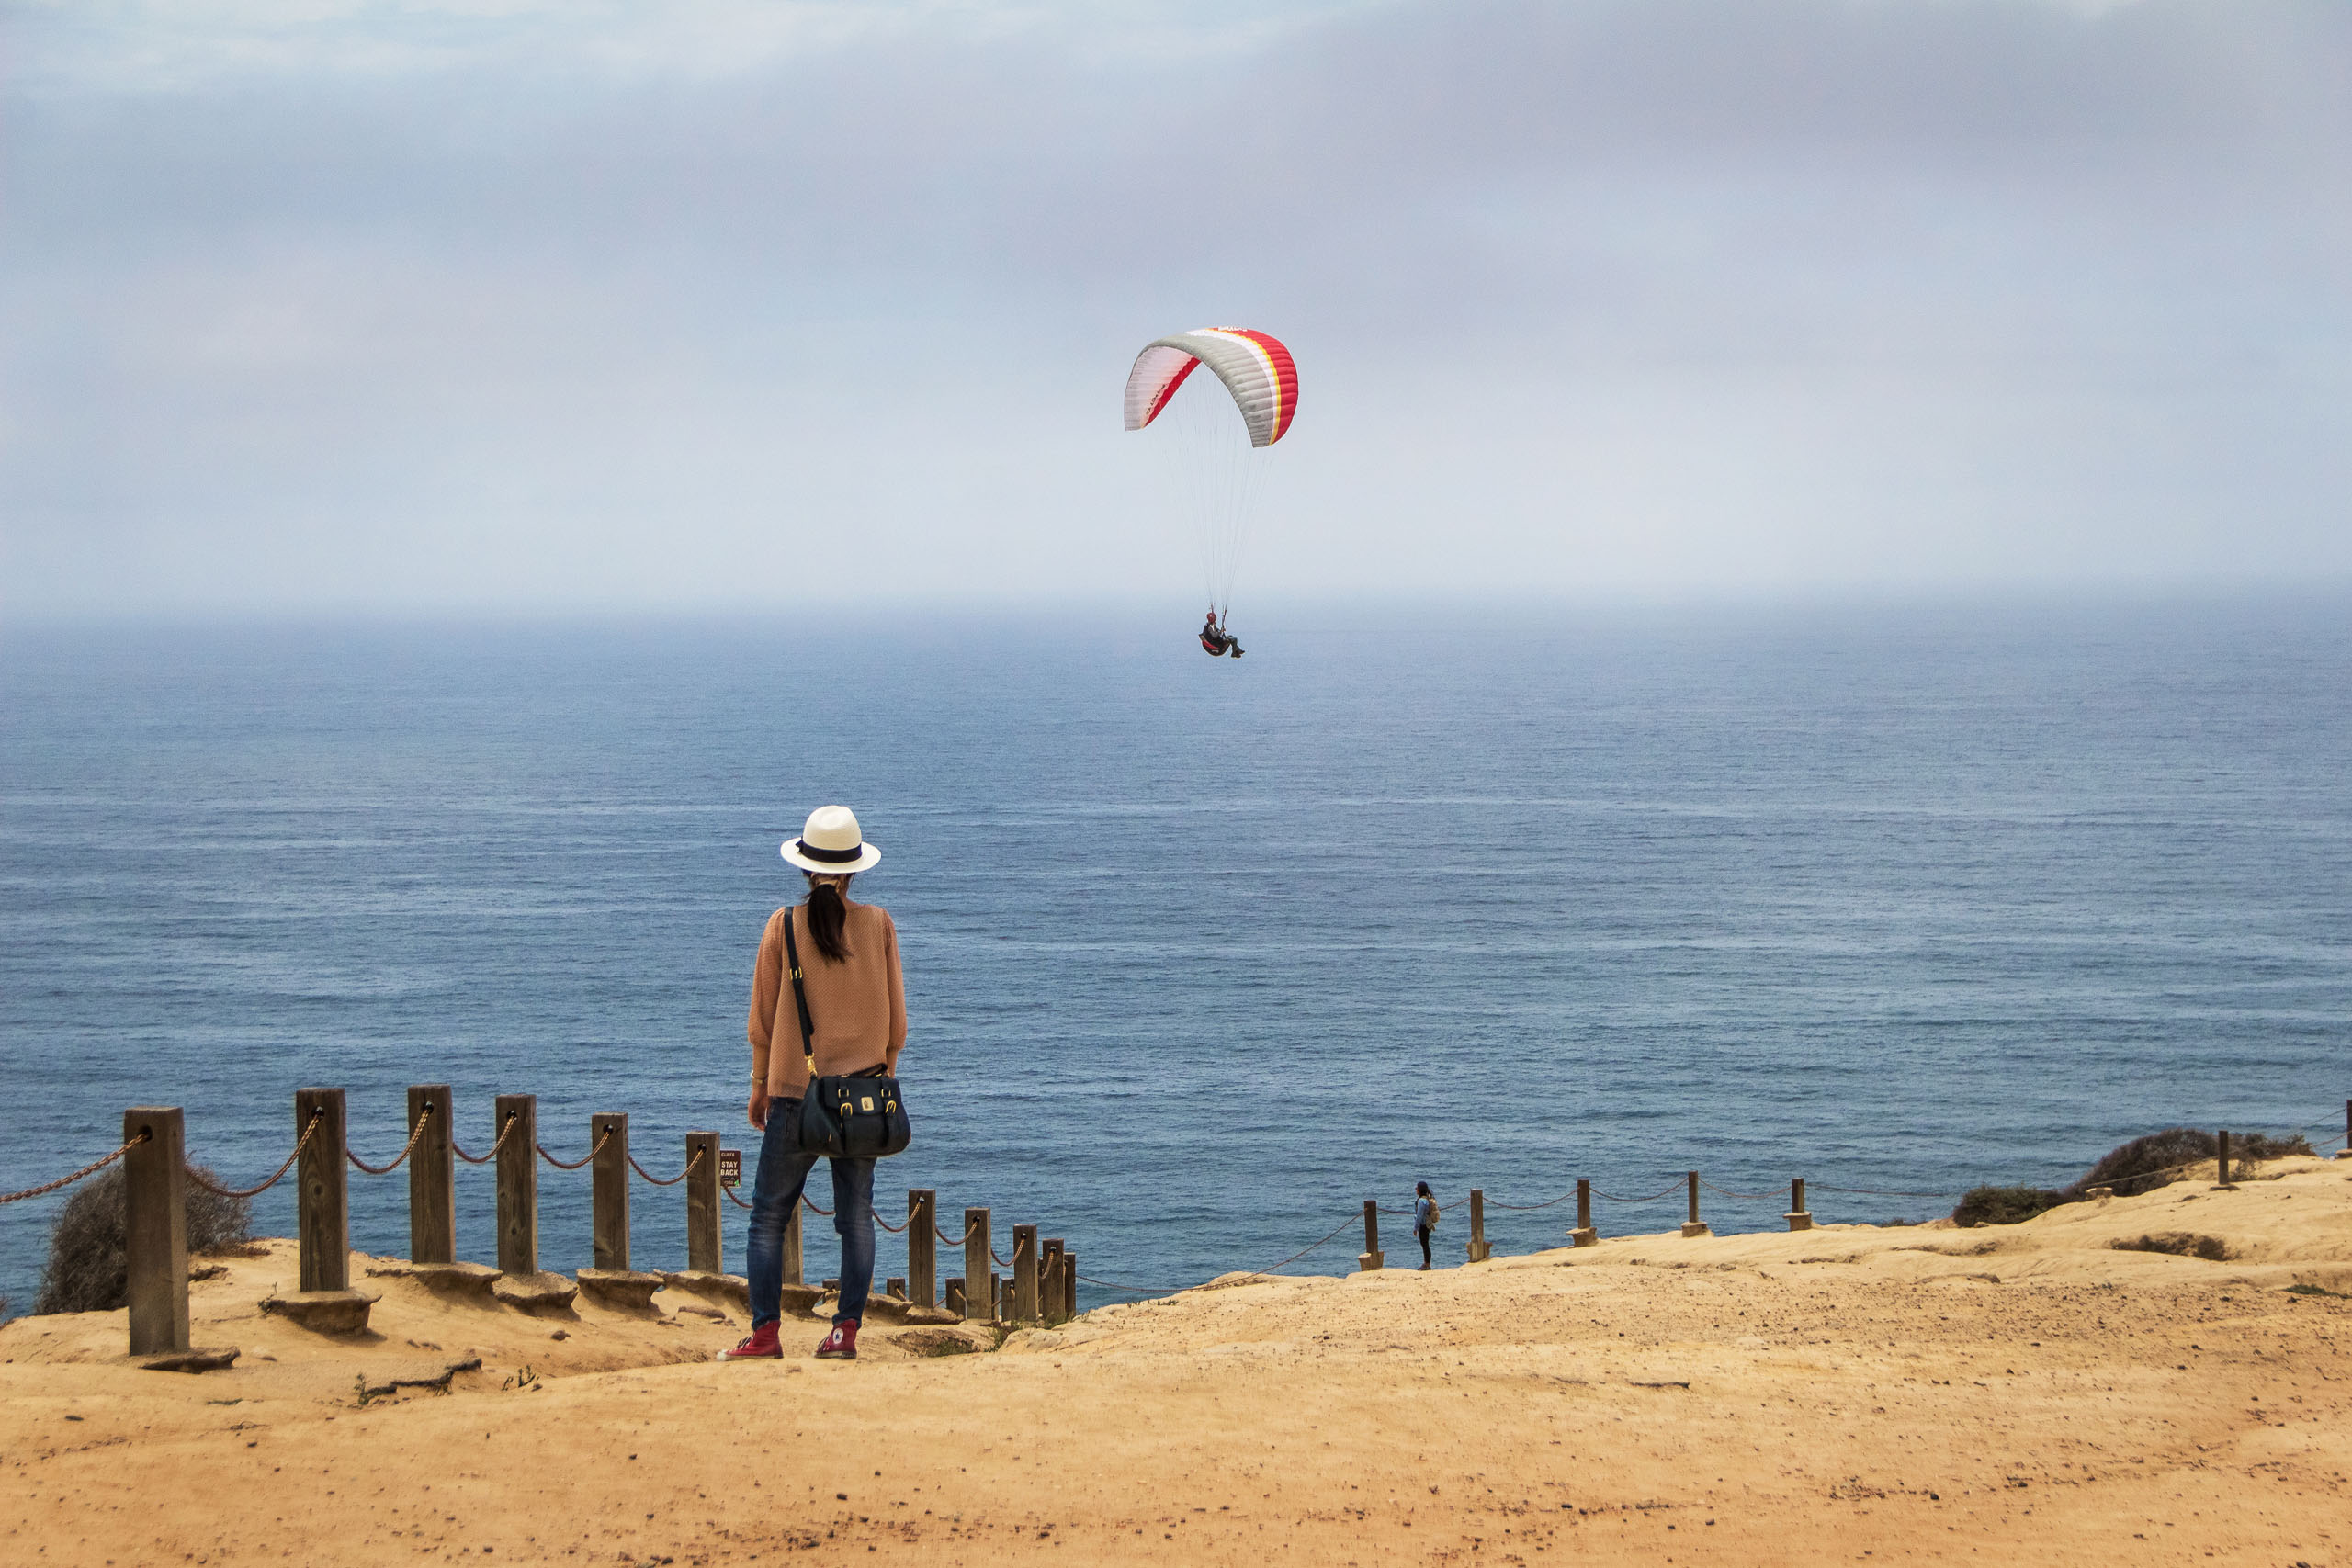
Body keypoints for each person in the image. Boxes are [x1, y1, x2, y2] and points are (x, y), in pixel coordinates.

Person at [726, 805, 905, 1362]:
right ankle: (844, 1334)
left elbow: (761, 1021)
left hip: (796, 1096)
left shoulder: (783, 926)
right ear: (854, 870)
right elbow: (896, 1024)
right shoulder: (878, 924)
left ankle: (765, 1335)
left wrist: (760, 1084)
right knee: (856, 1218)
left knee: (768, 1217)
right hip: (864, 1097)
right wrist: (883, 1075)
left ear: (805, 868)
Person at [1413, 1181, 1439, 1269]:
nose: (1415, 1189)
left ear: (1420, 1190)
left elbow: (1419, 1216)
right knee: (1425, 1244)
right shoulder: (1426, 1199)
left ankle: (1427, 1264)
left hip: (1423, 1225)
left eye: (1417, 1188)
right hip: (1427, 1225)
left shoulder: (1421, 1201)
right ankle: (1426, 1263)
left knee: (1425, 1245)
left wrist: (1415, 1228)